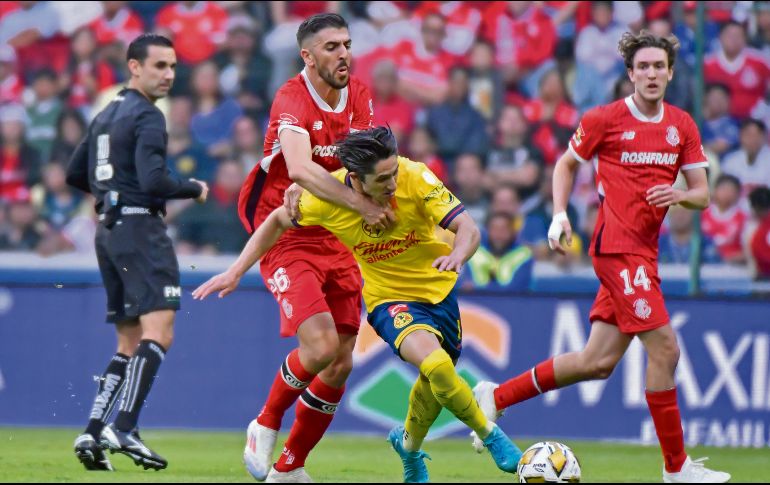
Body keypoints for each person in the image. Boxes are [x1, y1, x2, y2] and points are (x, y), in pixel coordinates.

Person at [193, 127, 522, 483]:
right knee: (437, 365)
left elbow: (468, 228)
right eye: (382, 179)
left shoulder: (415, 176)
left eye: (393, 173)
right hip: (389, 301)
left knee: (434, 382)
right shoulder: (326, 200)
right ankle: (492, 437)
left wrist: (458, 253)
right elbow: (275, 221)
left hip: (440, 294)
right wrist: (235, 271)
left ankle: (409, 449)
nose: (392, 184)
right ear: (356, 179)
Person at [472, 31, 731, 483]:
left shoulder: (682, 125)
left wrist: (680, 194)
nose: (651, 74)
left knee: (597, 361)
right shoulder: (604, 119)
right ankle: (676, 469)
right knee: (665, 349)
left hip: (644, 253)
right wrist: (559, 214)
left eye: (659, 66)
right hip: (617, 248)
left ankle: (495, 397)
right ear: (630, 74)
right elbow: (566, 164)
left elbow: (703, 194)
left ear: (671, 73)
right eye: (643, 66)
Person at [234, 13, 392, 483]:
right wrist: (358, 204)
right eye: (331, 47)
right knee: (320, 347)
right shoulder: (291, 98)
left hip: (336, 230)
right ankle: (264, 423)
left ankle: (290, 466)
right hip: (286, 230)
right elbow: (301, 168)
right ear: (307, 56)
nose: (344, 54)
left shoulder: (359, 94)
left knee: (341, 362)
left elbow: (365, 163)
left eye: (347, 44)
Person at [66, 34, 209, 472]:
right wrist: (193, 187)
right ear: (134, 66)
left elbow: (75, 173)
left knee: (128, 341)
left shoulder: (106, 114)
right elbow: (154, 181)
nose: (168, 75)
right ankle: (124, 427)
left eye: (173, 66)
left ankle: (93, 431)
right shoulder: (148, 114)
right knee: (159, 331)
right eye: (159, 66)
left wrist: (112, 193)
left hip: (108, 231)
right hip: (140, 229)